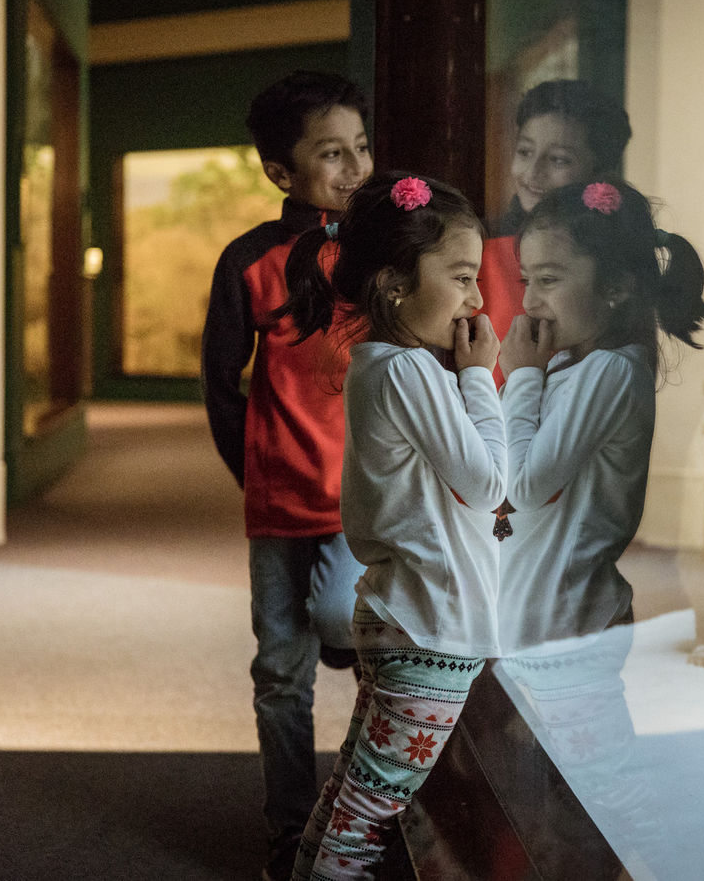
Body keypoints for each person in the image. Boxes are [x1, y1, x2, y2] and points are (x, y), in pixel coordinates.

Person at [491, 179, 704, 873]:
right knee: (563, 794)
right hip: (541, 623)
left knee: (609, 790)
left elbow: (527, 482)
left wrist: (518, 376)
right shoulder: (577, 365)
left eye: (552, 279)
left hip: (567, 628)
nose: (531, 299)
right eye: (527, 278)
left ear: (619, 287)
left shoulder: (609, 372)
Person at [278, 172, 506, 881]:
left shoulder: (391, 368)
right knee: (369, 807)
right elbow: (489, 482)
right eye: (462, 277)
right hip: (430, 626)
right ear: (395, 283)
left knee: (355, 793)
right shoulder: (409, 372)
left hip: (410, 620)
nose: (477, 298)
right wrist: (480, 377)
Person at [200, 70, 374, 881]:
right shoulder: (248, 259)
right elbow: (220, 378)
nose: (354, 168)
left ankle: (371, 812)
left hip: (364, 497)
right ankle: (290, 828)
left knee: (343, 622)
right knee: (280, 673)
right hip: (278, 501)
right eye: (332, 154)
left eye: (361, 148)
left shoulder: (385, 250)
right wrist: (254, 466)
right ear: (280, 172)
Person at [480, 80, 633, 351]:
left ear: (599, 171)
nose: (532, 173)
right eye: (525, 152)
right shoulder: (482, 249)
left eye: (558, 159)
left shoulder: (612, 257)